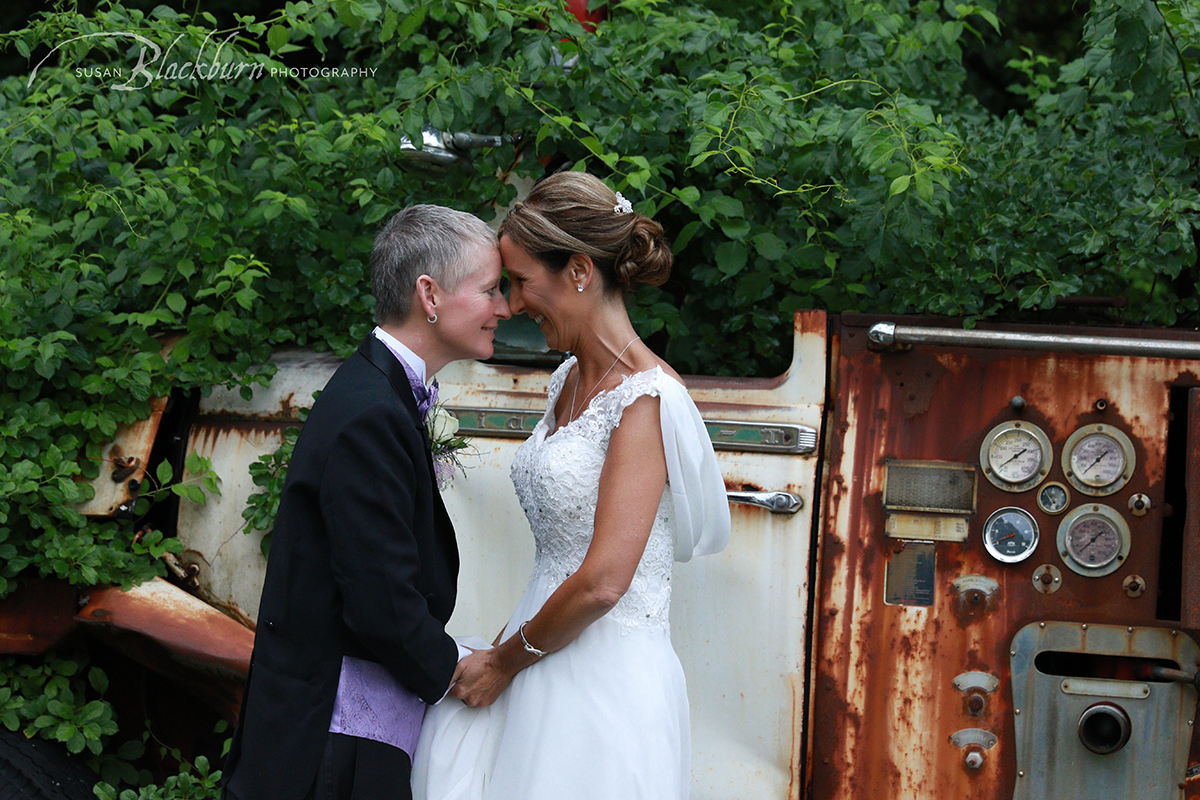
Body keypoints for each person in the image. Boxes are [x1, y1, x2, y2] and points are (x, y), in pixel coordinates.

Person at [411, 171, 731, 800]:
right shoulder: (567, 378)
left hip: (603, 687)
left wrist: (501, 664)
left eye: (523, 281)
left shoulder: (646, 397)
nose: (514, 304)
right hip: (540, 656)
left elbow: (605, 580)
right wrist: (503, 659)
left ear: (580, 271)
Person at [221, 205, 511, 800]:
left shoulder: (382, 396)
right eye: (490, 290)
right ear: (428, 295)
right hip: (334, 736)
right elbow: (378, 595)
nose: (505, 308)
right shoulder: (370, 414)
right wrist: (458, 670)